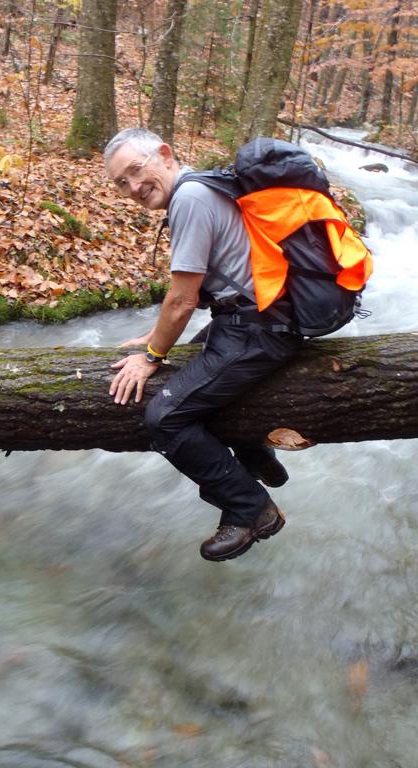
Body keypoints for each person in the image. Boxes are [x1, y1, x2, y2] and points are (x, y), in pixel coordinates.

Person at [104, 127, 304, 562]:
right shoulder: (204, 184)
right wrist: (156, 337)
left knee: (166, 417)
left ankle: (252, 510)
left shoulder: (190, 200)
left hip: (259, 328)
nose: (133, 187)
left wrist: (153, 355)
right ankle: (257, 456)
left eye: (136, 171)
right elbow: (205, 290)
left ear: (165, 153)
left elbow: (182, 299)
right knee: (199, 377)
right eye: (121, 182)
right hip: (261, 318)